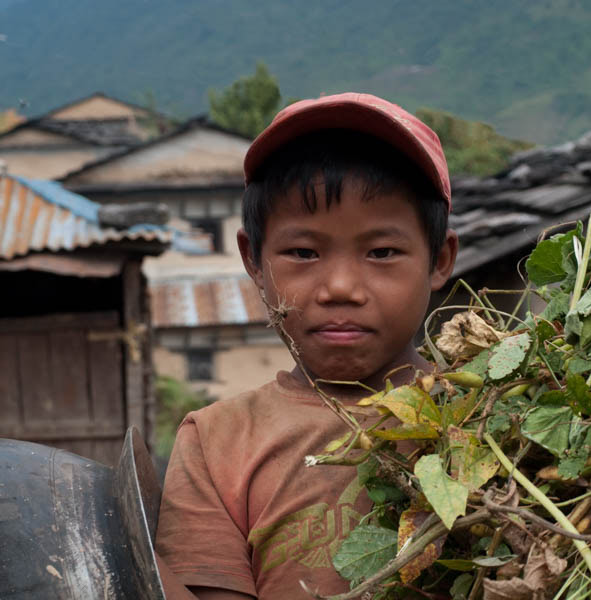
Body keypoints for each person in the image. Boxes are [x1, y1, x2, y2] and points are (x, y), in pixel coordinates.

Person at [156, 92, 458, 599]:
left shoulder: (490, 413)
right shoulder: (217, 442)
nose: (340, 287)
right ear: (254, 260)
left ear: (440, 260)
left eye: (382, 252)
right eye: (303, 252)